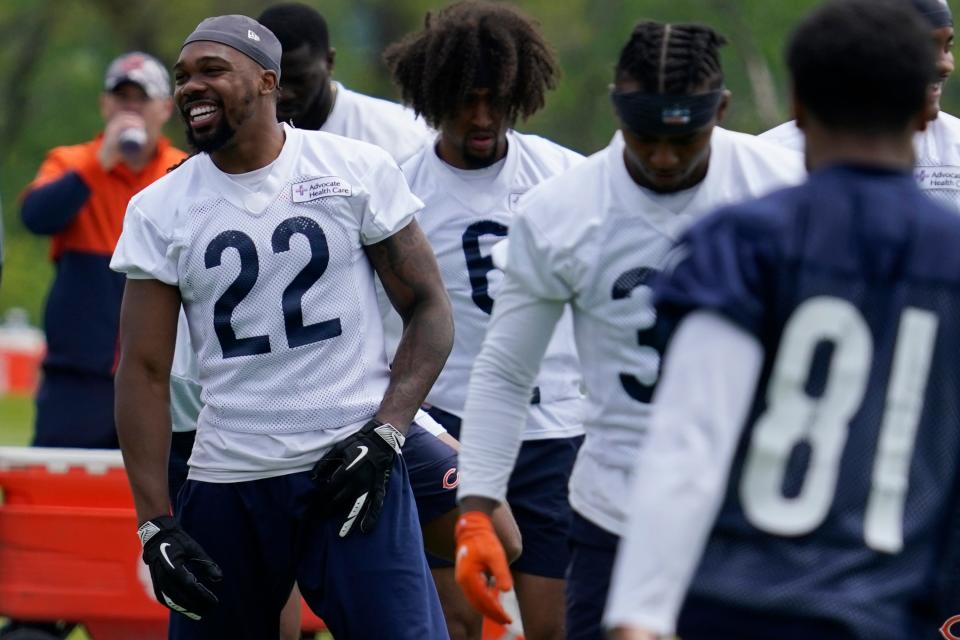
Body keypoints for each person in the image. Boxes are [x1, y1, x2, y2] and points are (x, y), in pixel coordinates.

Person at [604, 1, 960, 638]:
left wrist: (640, 616)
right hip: (894, 604)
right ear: (922, 106)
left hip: (739, 602)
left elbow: (690, 439)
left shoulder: (742, 241)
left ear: (797, 102)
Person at [451, 19, 807, 640]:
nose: (665, 158)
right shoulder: (561, 210)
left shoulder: (780, 192)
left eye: (684, 138)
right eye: (646, 138)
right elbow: (508, 371)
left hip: (753, 513)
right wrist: (477, 506)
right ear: (618, 109)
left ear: (719, 110)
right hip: (618, 512)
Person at [110, 15, 453, 640]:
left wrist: (389, 433)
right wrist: (153, 522)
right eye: (184, 76)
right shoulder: (160, 207)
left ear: (269, 81)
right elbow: (143, 369)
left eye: (213, 70)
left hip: (350, 466)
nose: (191, 87)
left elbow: (429, 308)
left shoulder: (351, 168)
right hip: (228, 481)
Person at [384, 3, 586, 638]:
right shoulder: (397, 189)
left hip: (550, 425)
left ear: (519, 93)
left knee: (554, 626)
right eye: (464, 101)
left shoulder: (565, 176)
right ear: (434, 95)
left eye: (495, 100)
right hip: (448, 424)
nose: (480, 117)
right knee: (460, 622)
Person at [18, 52, 183, 450]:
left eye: (140, 99)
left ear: (164, 108)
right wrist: (101, 162)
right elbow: (37, 217)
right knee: (62, 489)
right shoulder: (71, 163)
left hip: (161, 376)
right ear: (105, 105)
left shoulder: (183, 171)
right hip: (76, 377)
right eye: (121, 97)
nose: (130, 108)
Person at [762, 0, 958, 209]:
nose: (946, 64)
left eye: (948, 46)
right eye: (926, 47)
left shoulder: (954, 143)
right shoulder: (769, 156)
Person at [260, 2, 433, 165]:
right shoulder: (237, 137)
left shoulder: (401, 138)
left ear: (329, 62)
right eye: (272, 81)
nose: (285, 93)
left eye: (299, 79)